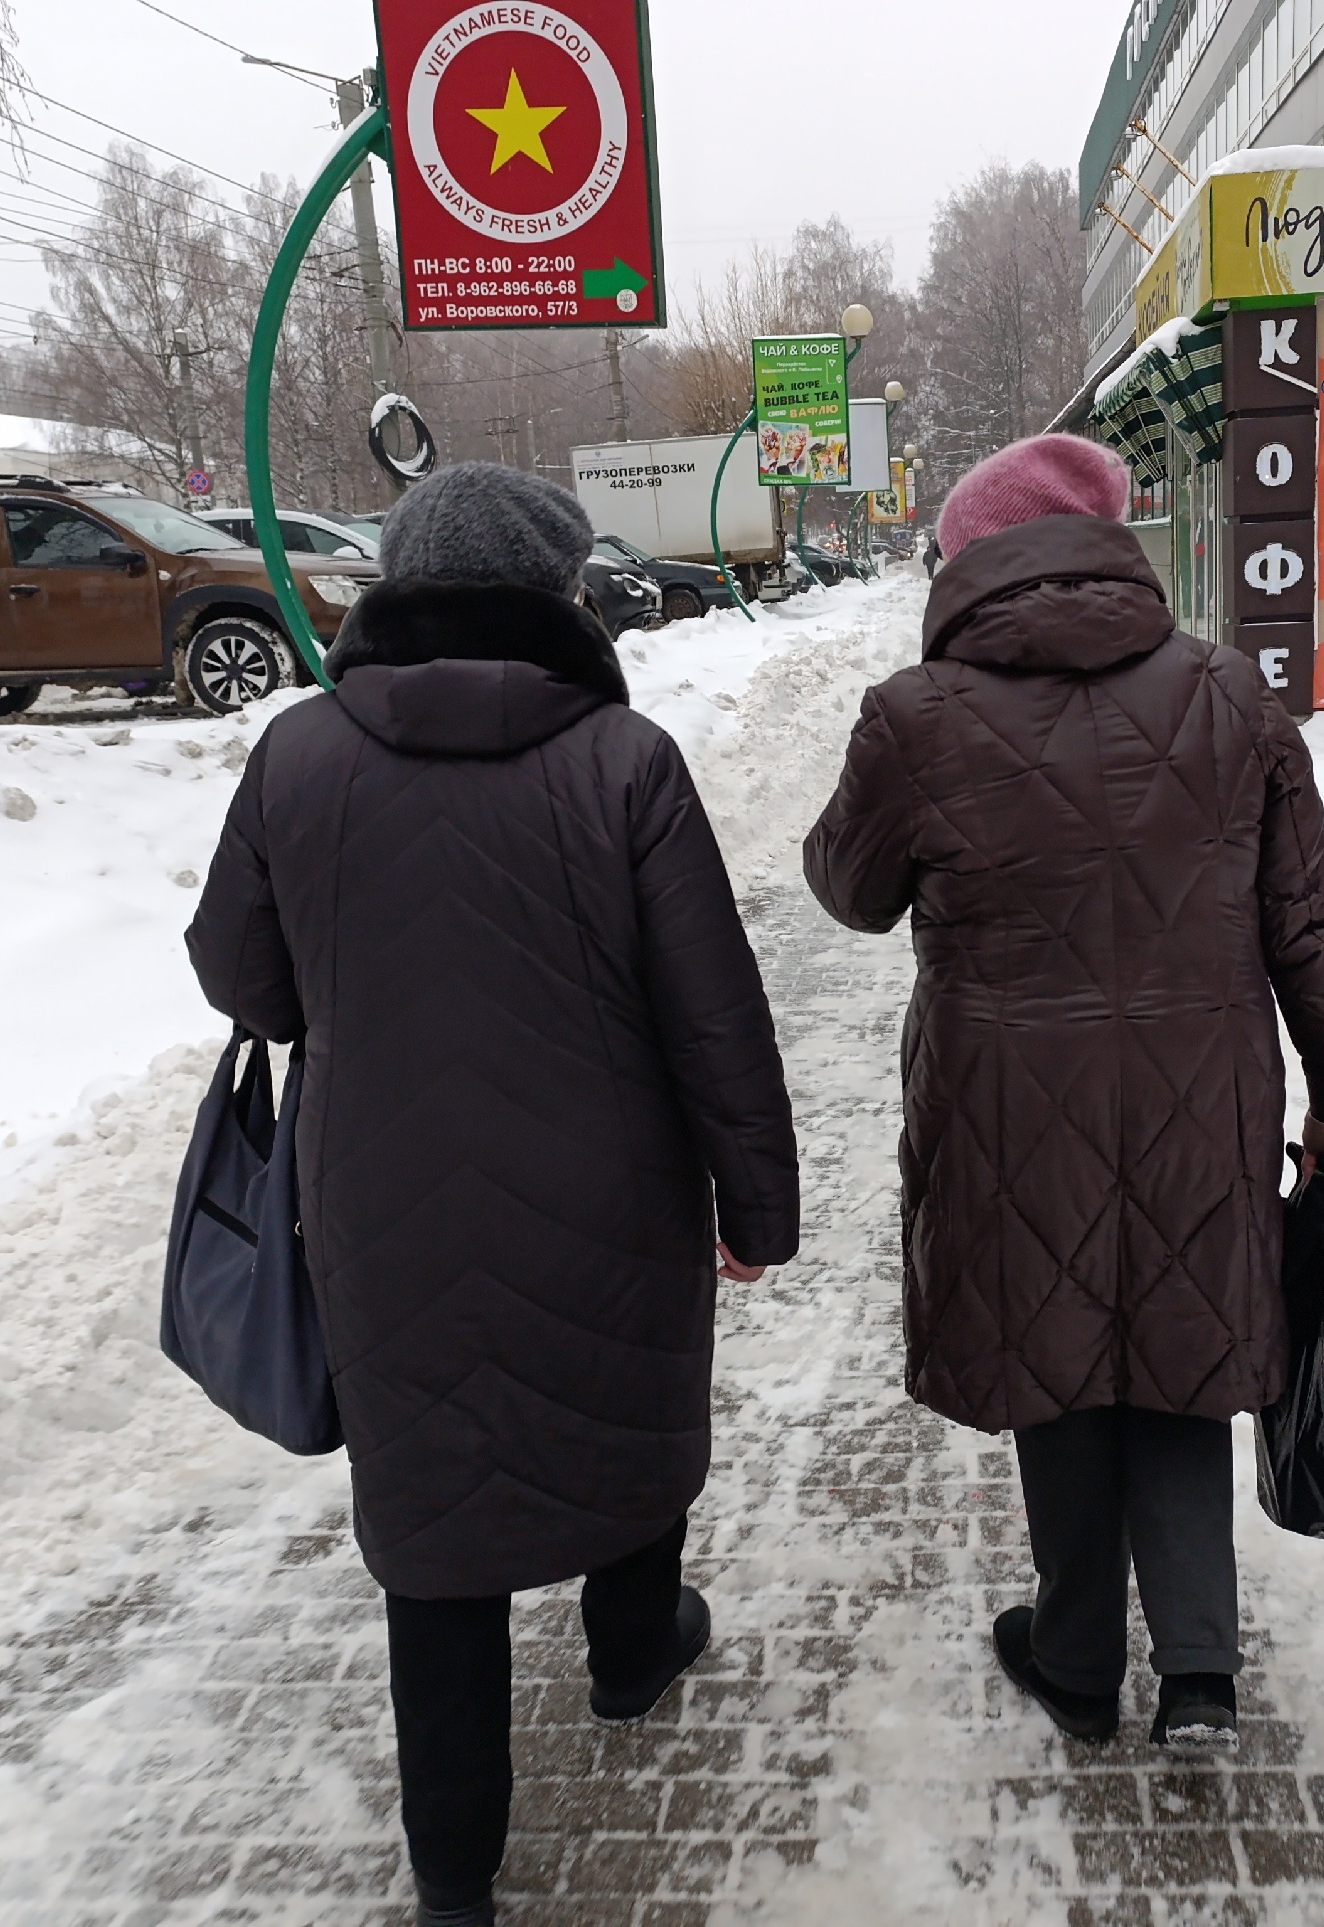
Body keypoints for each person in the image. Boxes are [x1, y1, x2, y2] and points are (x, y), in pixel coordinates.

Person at [187, 463, 799, 1926]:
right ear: (558, 597)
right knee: (623, 1404)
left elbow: (237, 973)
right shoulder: (626, 761)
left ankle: (456, 1869)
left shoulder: (295, 757)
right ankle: (635, 1648)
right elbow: (712, 1009)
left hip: (378, 1193)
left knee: (433, 1507)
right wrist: (756, 1205)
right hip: (610, 1183)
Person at [803, 435, 1324, 1750]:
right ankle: (1198, 1670)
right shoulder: (1230, 697)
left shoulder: (917, 715)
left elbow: (848, 894)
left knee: (1056, 1361)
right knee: (1178, 1350)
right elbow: (1311, 924)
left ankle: (1074, 1659)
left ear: (968, 563)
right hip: (1205, 1098)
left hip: (1009, 1114)